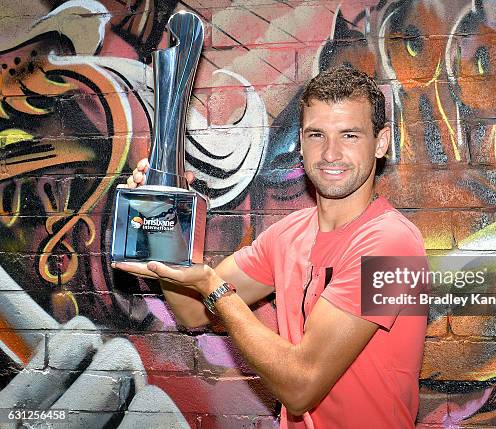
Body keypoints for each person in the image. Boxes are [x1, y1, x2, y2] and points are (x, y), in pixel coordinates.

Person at [114, 65, 427, 428]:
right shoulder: (288, 235)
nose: (330, 153)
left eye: (350, 136)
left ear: (381, 143)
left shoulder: (394, 245)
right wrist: (164, 221)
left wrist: (215, 289)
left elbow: (301, 386)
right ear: (301, 142)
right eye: (316, 135)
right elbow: (192, 312)